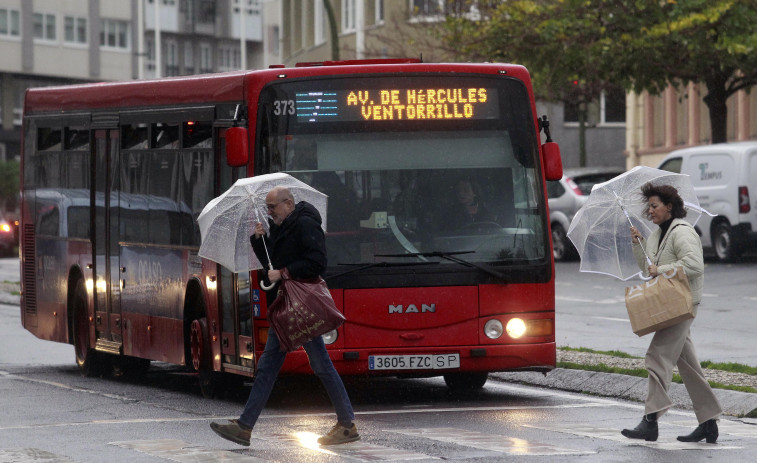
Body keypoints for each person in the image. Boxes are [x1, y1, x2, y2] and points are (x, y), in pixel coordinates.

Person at [210, 186, 359, 447]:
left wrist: (285, 273)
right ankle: (245, 426)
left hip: (301, 306)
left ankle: (346, 424)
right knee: (271, 366)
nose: (270, 212)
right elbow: (273, 264)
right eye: (267, 208)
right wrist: (260, 241)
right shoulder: (281, 225)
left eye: (273, 207)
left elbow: (317, 262)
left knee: (316, 365)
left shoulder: (305, 224)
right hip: (287, 306)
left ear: (288, 204)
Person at [622, 183, 722, 443]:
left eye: (654, 206)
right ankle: (709, 422)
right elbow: (648, 268)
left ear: (669, 206)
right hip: (670, 303)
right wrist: (638, 245)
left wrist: (661, 270)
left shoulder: (682, 232)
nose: (650, 211)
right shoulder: (656, 235)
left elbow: (694, 266)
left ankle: (650, 420)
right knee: (688, 365)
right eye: (649, 207)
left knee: (657, 356)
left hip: (684, 303)